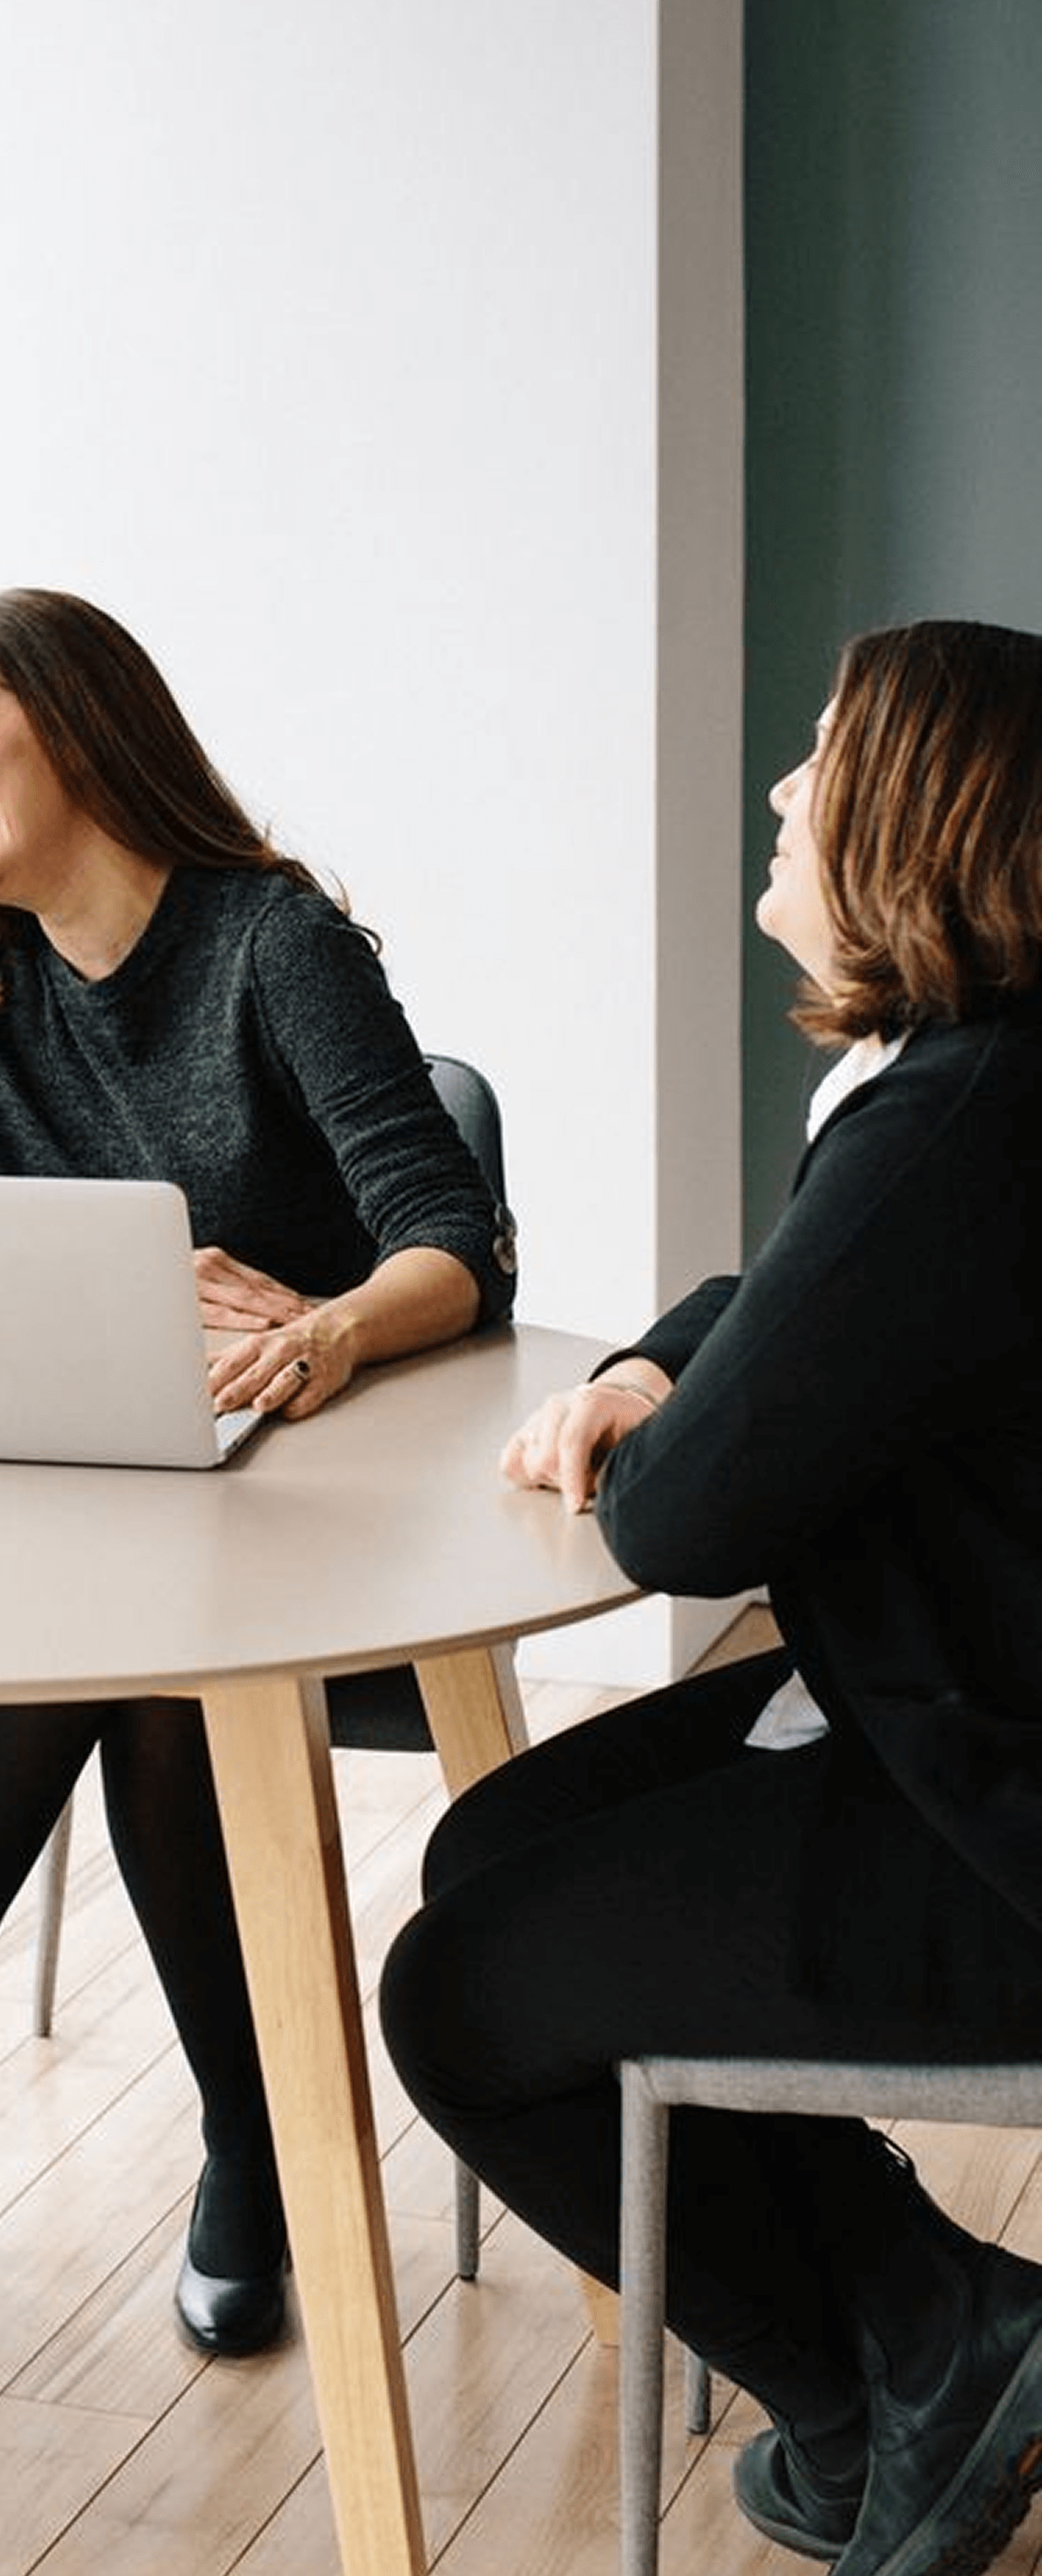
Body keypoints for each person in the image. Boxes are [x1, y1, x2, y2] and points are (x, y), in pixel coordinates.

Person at [0, 586, 516, 2356]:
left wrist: (318, 1330)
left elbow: (447, 1240)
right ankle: (232, 2147)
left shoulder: (269, 944)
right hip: (146, 1514)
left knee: (146, 1651)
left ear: (74, 727)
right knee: (138, 1637)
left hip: (345, 1502)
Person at [380, 618, 1042, 2576]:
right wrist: (661, 1366)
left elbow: (681, 1527)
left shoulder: (947, 1122)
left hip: (989, 1806)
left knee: (455, 1999)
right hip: (940, 1708)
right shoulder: (954, 1081)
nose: (778, 788)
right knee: (488, 1844)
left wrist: (652, 1415)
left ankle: (896, 2368)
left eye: (819, 756)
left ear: (914, 815)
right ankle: (919, 2346)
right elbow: (787, 1329)